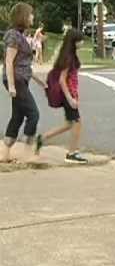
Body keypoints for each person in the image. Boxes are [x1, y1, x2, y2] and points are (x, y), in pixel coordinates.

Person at [1, 3, 47, 163]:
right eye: (30, 14)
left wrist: (38, 80)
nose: (32, 17)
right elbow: (8, 62)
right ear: (23, 16)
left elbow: (23, 64)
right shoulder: (13, 35)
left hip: (22, 79)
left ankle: (5, 152)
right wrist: (12, 86)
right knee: (33, 114)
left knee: (17, 116)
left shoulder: (20, 35)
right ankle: (27, 153)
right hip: (17, 81)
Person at [35, 29, 88, 164]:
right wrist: (70, 98)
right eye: (80, 40)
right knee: (77, 123)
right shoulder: (68, 58)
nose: (82, 42)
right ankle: (72, 153)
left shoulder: (69, 55)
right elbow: (62, 80)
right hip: (67, 94)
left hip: (70, 93)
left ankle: (43, 138)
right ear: (74, 42)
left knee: (69, 124)